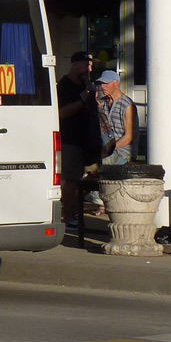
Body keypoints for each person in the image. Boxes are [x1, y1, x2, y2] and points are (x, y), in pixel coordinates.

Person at [56, 50, 101, 228]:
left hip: (86, 139)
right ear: (75, 64)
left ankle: (75, 213)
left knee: (85, 178)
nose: (89, 68)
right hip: (70, 139)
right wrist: (83, 101)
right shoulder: (65, 86)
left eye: (91, 65)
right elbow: (62, 112)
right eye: (86, 64)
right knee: (70, 179)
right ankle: (68, 216)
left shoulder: (85, 84)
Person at [96, 69, 136, 165]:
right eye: (101, 83)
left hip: (122, 153)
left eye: (106, 83)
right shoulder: (103, 102)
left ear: (117, 84)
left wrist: (107, 149)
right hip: (107, 150)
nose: (102, 86)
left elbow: (128, 137)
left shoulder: (127, 105)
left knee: (98, 165)